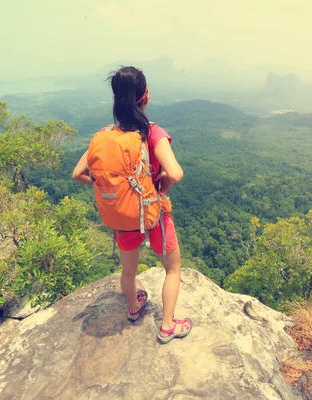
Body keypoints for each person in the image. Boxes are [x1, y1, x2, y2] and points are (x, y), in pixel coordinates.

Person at [72, 66, 192, 344]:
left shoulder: (105, 135)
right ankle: (167, 326)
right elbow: (176, 173)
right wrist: (163, 181)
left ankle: (135, 307)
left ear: (115, 100)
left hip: (123, 217)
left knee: (128, 271)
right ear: (145, 96)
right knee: (173, 269)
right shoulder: (152, 133)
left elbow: (78, 174)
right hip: (154, 214)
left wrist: (107, 186)